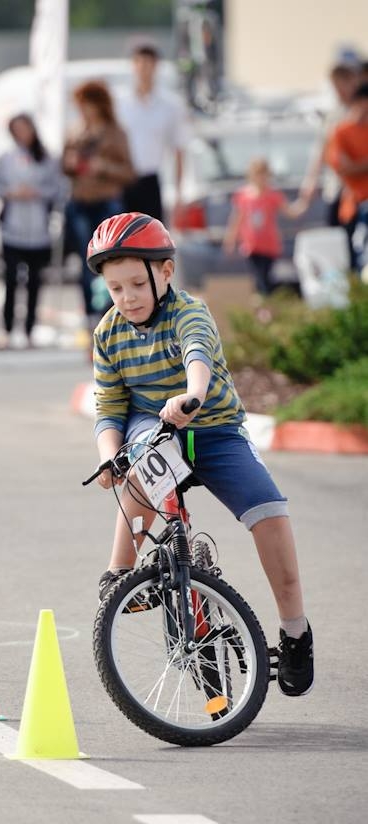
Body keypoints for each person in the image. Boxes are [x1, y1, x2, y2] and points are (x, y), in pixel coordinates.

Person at [89, 211, 314, 698]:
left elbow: (198, 358)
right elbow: (108, 409)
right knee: (142, 460)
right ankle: (119, 576)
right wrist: (110, 456)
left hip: (213, 429)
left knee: (270, 511)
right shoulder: (108, 334)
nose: (126, 298)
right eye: (115, 289)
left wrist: (191, 397)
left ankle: (295, 631)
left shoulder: (190, 312)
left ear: (165, 273)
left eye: (135, 284)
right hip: (155, 427)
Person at [63, 80, 135, 328]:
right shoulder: (75, 131)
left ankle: (110, 308)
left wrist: (103, 167)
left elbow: (128, 171)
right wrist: (70, 164)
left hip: (106, 202)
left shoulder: (115, 132)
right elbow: (63, 166)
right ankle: (90, 313)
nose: (83, 110)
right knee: (85, 260)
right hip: (79, 202)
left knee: (109, 258)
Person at [0, 114, 64, 347]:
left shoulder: (46, 158)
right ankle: (8, 327)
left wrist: (37, 193)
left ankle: (30, 327)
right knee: (11, 279)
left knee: (34, 281)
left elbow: (58, 187)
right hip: (13, 226)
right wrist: (12, 192)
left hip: (39, 227)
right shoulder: (6, 158)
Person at [118, 39, 190, 224]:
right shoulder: (120, 102)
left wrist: (178, 194)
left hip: (150, 182)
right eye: (139, 63)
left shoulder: (170, 105)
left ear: (156, 66)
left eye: (148, 63)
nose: (143, 69)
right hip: (122, 181)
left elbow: (179, 149)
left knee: (151, 244)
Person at [223, 157, 307, 299]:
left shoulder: (273, 196)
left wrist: (305, 201)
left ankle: (266, 304)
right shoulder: (244, 196)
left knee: (265, 277)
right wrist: (231, 239)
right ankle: (264, 304)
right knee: (259, 277)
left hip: (269, 245)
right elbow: (236, 219)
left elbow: (290, 212)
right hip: (251, 245)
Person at [301, 62, 359, 227]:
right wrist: (311, 180)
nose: (340, 91)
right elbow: (322, 150)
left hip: (359, 189)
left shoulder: (360, 113)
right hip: (337, 187)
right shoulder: (333, 116)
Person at [325, 82, 368, 272]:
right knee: (357, 255)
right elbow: (342, 168)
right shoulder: (342, 131)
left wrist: (357, 164)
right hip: (356, 202)